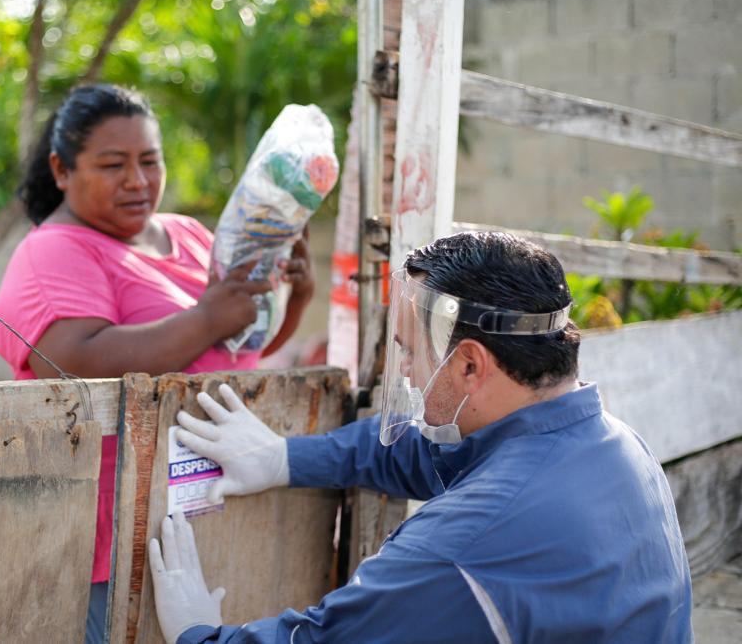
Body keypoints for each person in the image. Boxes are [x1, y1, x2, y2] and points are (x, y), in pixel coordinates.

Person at [151, 231, 693, 643]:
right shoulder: (614, 444)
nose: (405, 371)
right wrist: (285, 458)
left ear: (470, 366)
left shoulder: (458, 548)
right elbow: (430, 455)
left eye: (409, 351)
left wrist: (199, 633)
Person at [0, 84, 315, 643]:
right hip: (112, 541)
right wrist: (209, 317)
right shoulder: (54, 250)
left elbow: (232, 353)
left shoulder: (187, 234)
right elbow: (73, 359)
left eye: (150, 160)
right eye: (113, 164)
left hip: (205, 516)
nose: (138, 181)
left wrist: (292, 301)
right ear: (62, 170)